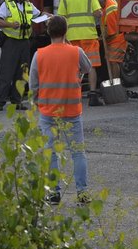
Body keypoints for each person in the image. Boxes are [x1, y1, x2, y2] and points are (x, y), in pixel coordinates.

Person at [30, 15, 92, 205]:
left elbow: (34, 84)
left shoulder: (39, 54)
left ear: (48, 32)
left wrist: (36, 101)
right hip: (72, 110)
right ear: (66, 32)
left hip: (48, 111)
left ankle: (54, 193)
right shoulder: (76, 51)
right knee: (78, 153)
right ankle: (82, 193)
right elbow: (87, 68)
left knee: (51, 153)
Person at [0, 0, 41, 111]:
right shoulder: (7, 5)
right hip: (11, 43)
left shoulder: (28, 5)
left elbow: (39, 15)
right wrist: (10, 24)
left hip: (25, 43)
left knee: (22, 73)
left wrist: (47, 16)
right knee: (6, 73)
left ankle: (17, 101)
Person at [56, 0, 104, 105]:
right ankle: (93, 95)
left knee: (74, 67)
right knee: (92, 65)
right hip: (89, 35)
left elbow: (61, 17)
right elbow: (97, 12)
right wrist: (100, 13)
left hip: (72, 37)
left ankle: (74, 94)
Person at [99, 0, 127, 82]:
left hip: (116, 39)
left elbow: (110, 33)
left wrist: (100, 38)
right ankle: (113, 81)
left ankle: (115, 82)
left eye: (100, 4)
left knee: (113, 61)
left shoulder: (110, 11)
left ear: (103, 1)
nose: (98, 7)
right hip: (113, 38)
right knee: (110, 61)